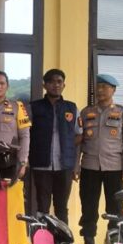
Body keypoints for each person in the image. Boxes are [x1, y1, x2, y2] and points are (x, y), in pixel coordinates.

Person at [76, 72, 123, 244]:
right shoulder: (86, 112)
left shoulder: (122, 113)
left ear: (113, 90)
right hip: (89, 167)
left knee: (115, 209)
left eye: (105, 87)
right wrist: (75, 166)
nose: (100, 90)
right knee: (88, 208)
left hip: (114, 168)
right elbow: (79, 142)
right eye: (98, 86)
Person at [28, 68, 79, 228]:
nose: (55, 85)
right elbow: (25, 133)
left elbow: (79, 135)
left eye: (59, 82)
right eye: (51, 82)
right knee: (42, 206)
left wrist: (74, 162)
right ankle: (42, 238)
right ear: (44, 85)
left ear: (64, 85)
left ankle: (63, 240)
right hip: (41, 164)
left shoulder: (71, 108)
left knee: (61, 207)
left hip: (64, 165)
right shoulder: (34, 107)